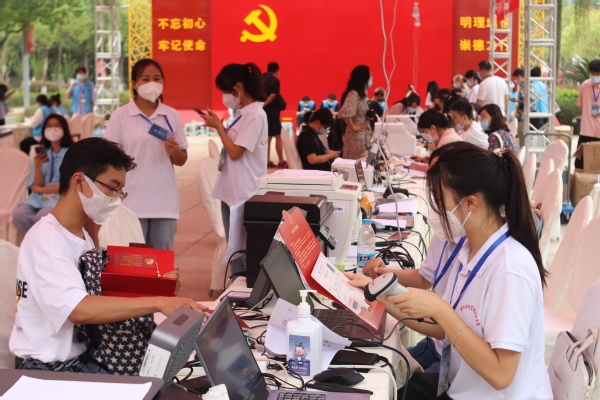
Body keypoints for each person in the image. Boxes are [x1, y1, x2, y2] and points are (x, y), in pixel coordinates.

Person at [348, 142, 552, 400]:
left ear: (470, 203)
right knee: (376, 385)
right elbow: (443, 328)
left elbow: (501, 375)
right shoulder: (467, 249)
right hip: (460, 385)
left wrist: (441, 310)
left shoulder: (510, 270)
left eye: (439, 199)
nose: (434, 207)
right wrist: (374, 293)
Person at [10, 137, 205, 373]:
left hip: (82, 357)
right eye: (112, 188)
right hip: (50, 368)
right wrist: (159, 302)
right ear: (79, 181)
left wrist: (160, 288)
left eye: (121, 191)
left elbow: (98, 292)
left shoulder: (78, 234)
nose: (116, 197)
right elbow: (77, 309)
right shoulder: (48, 241)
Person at [104, 59, 189, 251]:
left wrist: (175, 151)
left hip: (164, 202)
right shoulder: (120, 116)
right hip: (131, 201)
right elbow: (109, 159)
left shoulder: (171, 116)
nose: (152, 83)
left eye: (157, 78)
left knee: (161, 261)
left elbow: (182, 160)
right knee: (134, 260)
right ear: (134, 84)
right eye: (145, 79)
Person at [200, 62, 268, 278]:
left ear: (238, 87)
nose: (224, 96)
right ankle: (238, 287)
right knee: (236, 252)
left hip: (243, 192)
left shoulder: (254, 115)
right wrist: (221, 126)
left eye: (225, 91)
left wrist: (218, 128)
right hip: (233, 191)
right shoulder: (242, 113)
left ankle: (242, 291)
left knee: (242, 255)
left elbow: (236, 152)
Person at [12, 114, 74, 234]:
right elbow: (36, 185)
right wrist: (38, 166)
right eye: (49, 126)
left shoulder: (72, 153)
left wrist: (41, 190)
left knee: (42, 216)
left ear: (64, 129)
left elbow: (68, 185)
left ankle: (42, 242)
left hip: (61, 196)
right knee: (19, 214)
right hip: (39, 197)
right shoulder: (42, 152)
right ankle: (34, 240)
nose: (52, 129)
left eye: (57, 126)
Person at [338, 65, 373, 160]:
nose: (371, 78)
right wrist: (353, 126)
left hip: (364, 133)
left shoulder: (362, 94)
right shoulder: (354, 94)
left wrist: (367, 115)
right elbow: (345, 113)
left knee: (363, 160)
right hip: (356, 136)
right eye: (370, 76)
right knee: (357, 160)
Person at [575, 59, 600, 169]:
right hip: (586, 130)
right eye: (592, 74)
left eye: (597, 74)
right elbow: (581, 104)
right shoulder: (585, 85)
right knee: (579, 162)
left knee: (597, 165)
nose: (595, 76)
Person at [263, 62, 287, 168]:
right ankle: (281, 161)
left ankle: (267, 161)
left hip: (263, 113)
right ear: (277, 70)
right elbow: (273, 95)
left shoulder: (261, 79)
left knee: (266, 137)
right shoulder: (274, 80)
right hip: (272, 112)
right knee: (277, 136)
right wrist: (264, 104)